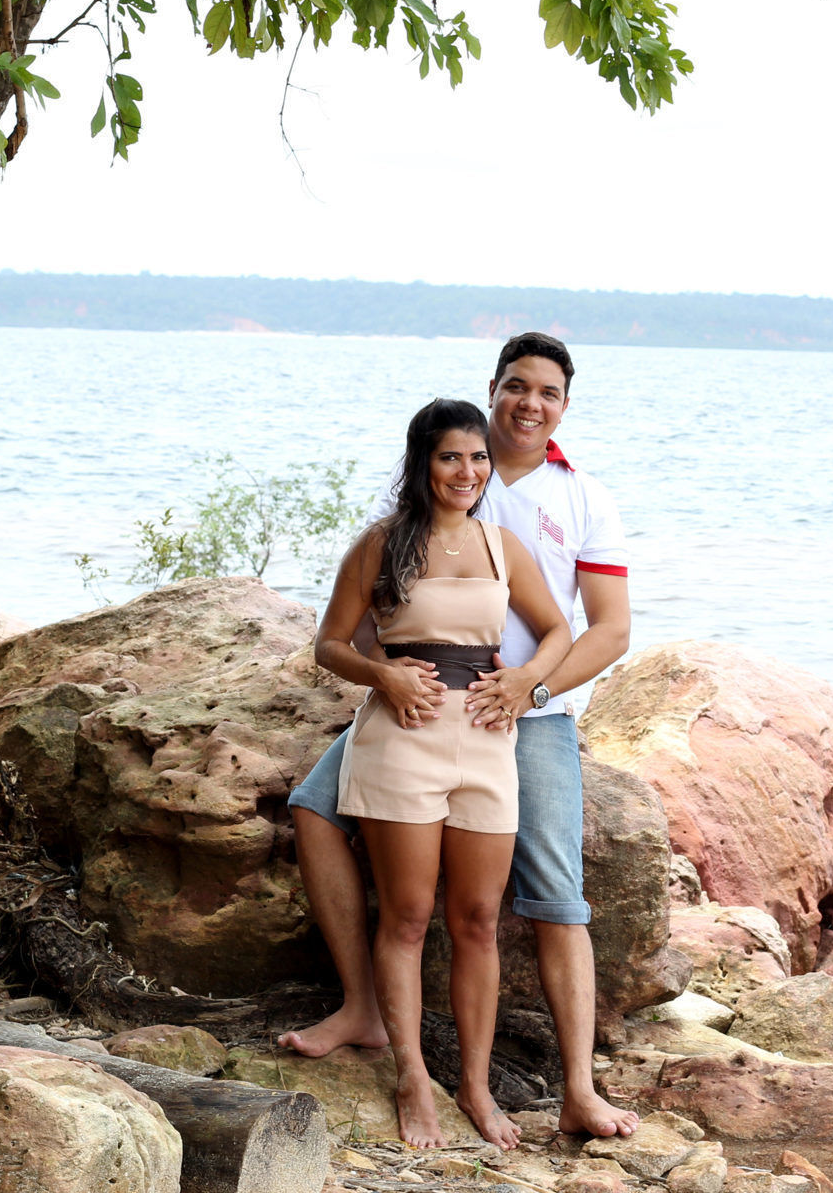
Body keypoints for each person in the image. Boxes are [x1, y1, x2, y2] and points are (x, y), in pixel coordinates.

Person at [283, 334, 640, 1139]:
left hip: (519, 717)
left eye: (547, 392)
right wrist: (384, 673)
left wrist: (532, 686)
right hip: (413, 717)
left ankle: (577, 1089)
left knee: (552, 896)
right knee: (315, 808)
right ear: (492, 391)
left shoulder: (579, 498)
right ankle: (367, 1013)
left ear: (564, 406)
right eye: (517, 386)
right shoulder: (409, 517)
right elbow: (347, 630)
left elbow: (605, 629)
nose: (530, 403)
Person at [312, 397, 571, 1150]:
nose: (467, 472)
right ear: (422, 461)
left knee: (479, 921)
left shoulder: (502, 545)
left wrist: (526, 681)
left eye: (478, 457)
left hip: (487, 741)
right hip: (403, 739)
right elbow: (329, 644)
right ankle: (413, 1078)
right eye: (450, 456)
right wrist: (383, 676)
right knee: (406, 918)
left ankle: (476, 1087)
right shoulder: (381, 544)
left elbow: (558, 631)